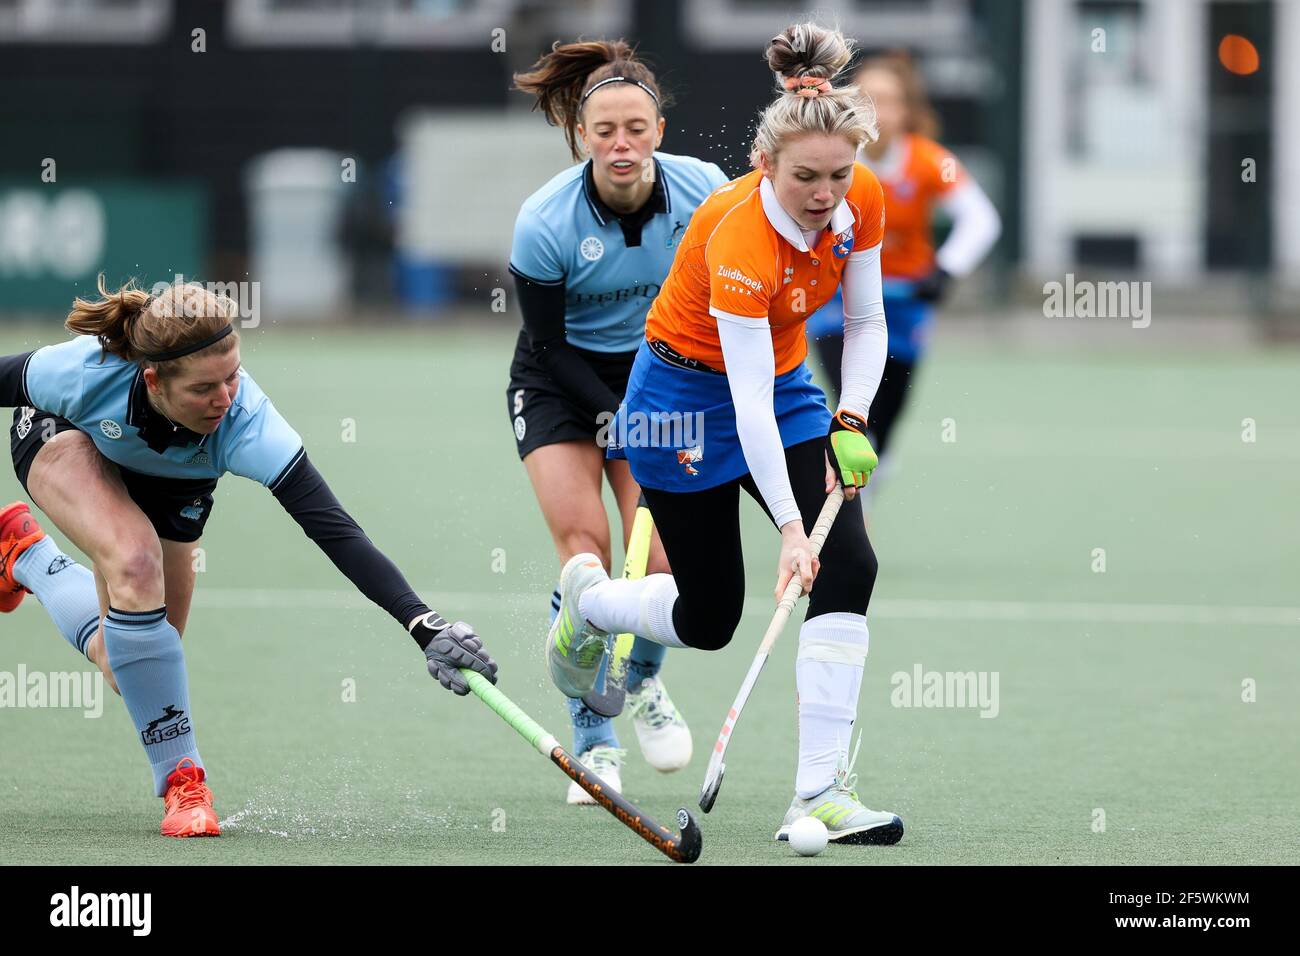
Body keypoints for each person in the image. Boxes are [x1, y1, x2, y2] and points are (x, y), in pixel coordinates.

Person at [546, 22, 903, 845]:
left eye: (838, 177)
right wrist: (787, 528)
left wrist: (851, 416)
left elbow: (867, 318)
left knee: (850, 561)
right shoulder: (737, 230)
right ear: (764, 166)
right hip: (681, 401)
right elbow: (741, 409)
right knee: (713, 617)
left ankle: (819, 793)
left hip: (785, 387)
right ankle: (592, 605)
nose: (824, 195)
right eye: (805, 178)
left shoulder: (863, 199)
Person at [0, 276, 497, 837]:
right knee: (135, 562)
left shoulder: (246, 421)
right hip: (66, 436)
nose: (225, 398)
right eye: (205, 388)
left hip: (174, 484)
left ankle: (27, 555)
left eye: (233, 377)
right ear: (153, 379)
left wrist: (421, 623)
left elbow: (334, 530)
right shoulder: (82, 372)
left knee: (131, 667)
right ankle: (185, 783)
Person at [509, 40, 729, 804]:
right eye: (604, 131)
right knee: (587, 554)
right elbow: (545, 343)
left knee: (664, 566)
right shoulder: (545, 220)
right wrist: (618, 418)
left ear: (659, 129)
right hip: (561, 384)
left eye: (635, 128)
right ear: (582, 137)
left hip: (661, 380)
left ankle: (638, 683)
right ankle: (594, 740)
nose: (621, 144)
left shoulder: (707, 192)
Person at [807, 52, 1001, 504]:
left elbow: (981, 219)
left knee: (884, 427)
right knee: (854, 402)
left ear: (908, 110)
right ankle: (851, 513)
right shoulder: (835, 160)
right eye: (867, 99)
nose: (879, 110)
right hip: (839, 303)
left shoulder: (930, 161)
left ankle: (871, 470)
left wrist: (946, 270)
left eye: (890, 100)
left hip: (905, 304)